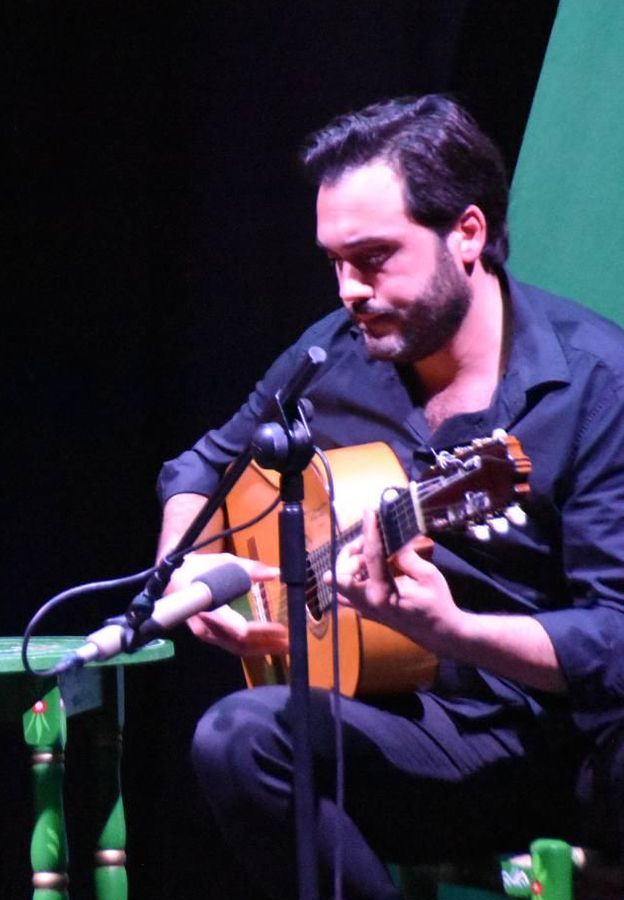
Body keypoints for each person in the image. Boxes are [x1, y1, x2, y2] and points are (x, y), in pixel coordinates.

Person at [158, 94, 624, 899]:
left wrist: (458, 630)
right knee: (237, 737)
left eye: (373, 258)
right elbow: (202, 466)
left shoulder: (594, 386)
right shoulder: (337, 354)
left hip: (557, 745)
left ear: (468, 234)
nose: (349, 290)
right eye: (335, 262)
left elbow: (615, 638)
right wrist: (188, 568)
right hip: (419, 730)